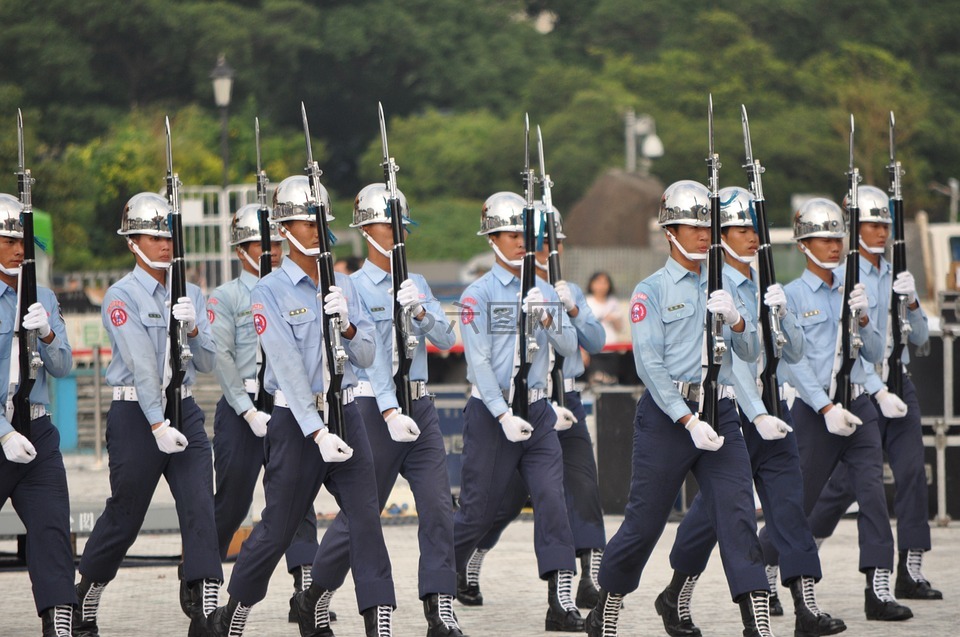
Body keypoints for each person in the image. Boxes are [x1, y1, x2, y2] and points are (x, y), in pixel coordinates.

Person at [204, 175, 396, 637]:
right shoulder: (267, 291)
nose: (313, 228)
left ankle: (377, 619)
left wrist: (348, 325)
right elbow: (287, 368)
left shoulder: (344, 286)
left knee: (366, 521)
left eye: (317, 219)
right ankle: (235, 611)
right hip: (296, 422)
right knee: (277, 529)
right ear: (283, 228)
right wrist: (315, 431)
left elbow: (370, 355)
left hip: (346, 416)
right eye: (301, 220)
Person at [654, 187, 846, 637]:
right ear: (719, 235)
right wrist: (757, 413)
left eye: (754, 228)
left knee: (789, 510)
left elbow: (794, 353)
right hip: (735, 414)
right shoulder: (713, 288)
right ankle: (677, 592)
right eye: (741, 229)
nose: (752, 236)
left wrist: (785, 313)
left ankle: (806, 609)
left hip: (776, 411)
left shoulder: (763, 282)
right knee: (712, 518)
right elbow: (731, 365)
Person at [585, 180, 773, 637]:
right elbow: (649, 365)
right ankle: (607, 604)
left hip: (721, 413)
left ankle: (758, 623)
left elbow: (752, 354)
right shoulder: (650, 291)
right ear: (670, 231)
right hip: (668, 419)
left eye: (707, 225)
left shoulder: (730, 284)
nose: (703, 233)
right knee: (644, 524)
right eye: (692, 226)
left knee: (737, 516)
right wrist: (687, 420)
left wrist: (739, 319)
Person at [303, 183, 463, 637]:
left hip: (422, 403)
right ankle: (317, 590)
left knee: (437, 507)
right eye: (388, 224)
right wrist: (391, 411)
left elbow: (448, 340)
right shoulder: (349, 287)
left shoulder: (418, 283)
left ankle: (439, 605)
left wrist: (423, 313)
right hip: (375, 410)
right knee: (363, 515)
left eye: (402, 226)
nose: (398, 233)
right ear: (366, 230)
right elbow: (364, 360)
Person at [74, 192, 222, 637]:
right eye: (153, 236)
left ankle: (204, 602)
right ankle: (87, 589)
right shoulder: (121, 295)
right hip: (137, 415)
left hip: (185, 406)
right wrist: (157, 423)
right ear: (132, 242)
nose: (164, 244)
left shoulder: (191, 291)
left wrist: (194, 326)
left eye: (168, 235)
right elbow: (140, 363)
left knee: (200, 503)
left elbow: (210, 361)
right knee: (126, 514)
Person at [763, 197, 913, 622]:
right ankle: (768, 562)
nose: (833, 246)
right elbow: (793, 365)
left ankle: (878, 587)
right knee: (800, 499)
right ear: (804, 244)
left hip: (858, 402)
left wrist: (877, 384)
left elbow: (869, 350)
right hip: (814, 409)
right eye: (823, 238)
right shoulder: (789, 295)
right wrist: (825, 406)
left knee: (872, 493)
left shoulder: (852, 288)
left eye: (837, 238)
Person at [457, 203, 607, 611]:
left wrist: (567, 310)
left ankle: (587, 581)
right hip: (510, 404)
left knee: (578, 488)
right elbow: (481, 360)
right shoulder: (488, 292)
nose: (544, 248)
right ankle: (466, 563)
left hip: (563, 398)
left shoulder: (566, 290)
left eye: (550, 241)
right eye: (539, 241)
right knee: (500, 500)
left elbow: (591, 342)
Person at [804, 185, 940, 600]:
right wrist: (877, 391)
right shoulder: (842, 275)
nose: (881, 232)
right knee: (843, 486)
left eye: (885, 224)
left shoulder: (894, 271)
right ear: (853, 226)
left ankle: (909, 571)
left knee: (913, 473)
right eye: (871, 223)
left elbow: (920, 340)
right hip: (860, 387)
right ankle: (797, 557)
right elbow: (845, 345)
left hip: (898, 380)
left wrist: (913, 301)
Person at [208, 203, 327, 622]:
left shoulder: (297, 287)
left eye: (275, 242)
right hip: (244, 407)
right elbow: (221, 358)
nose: (272, 250)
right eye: (261, 243)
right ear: (242, 249)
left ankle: (304, 591)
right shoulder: (226, 297)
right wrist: (244, 410)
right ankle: (205, 582)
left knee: (297, 504)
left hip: (285, 406)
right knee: (233, 501)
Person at [0, 193, 75, 636]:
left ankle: (59, 621)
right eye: (7, 239)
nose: (17, 248)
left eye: (22, 240)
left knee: (51, 531)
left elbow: (63, 366)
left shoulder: (42, 294)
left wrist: (46, 329)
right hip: (1, 431)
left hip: (38, 428)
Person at [584, 272, 622, 384]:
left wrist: (614, 319)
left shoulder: (613, 302)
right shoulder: (587, 302)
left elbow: (619, 328)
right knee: (596, 381)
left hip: (611, 350)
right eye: (598, 282)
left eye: (605, 283)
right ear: (592, 284)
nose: (601, 286)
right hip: (594, 352)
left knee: (612, 381)